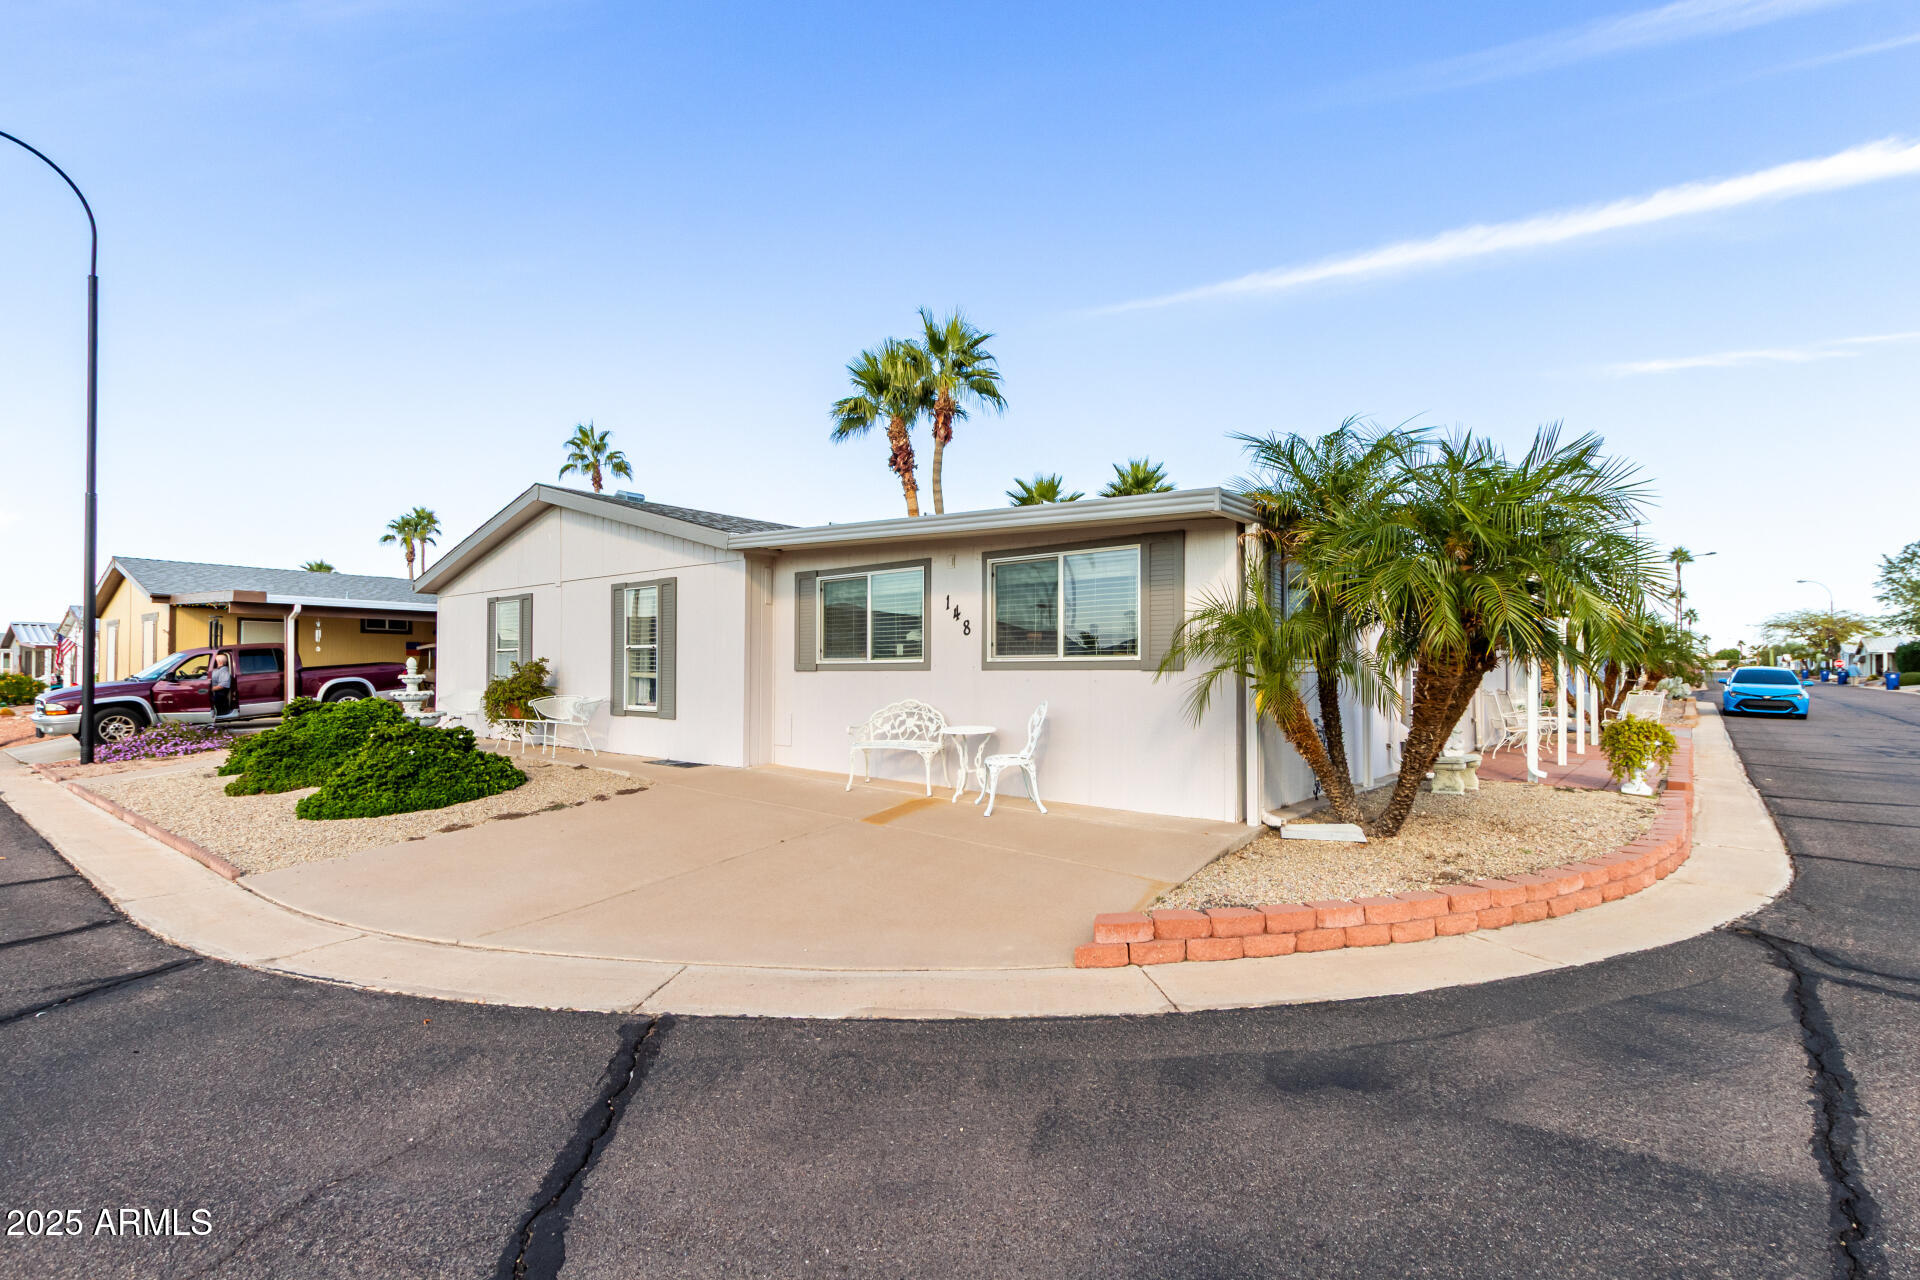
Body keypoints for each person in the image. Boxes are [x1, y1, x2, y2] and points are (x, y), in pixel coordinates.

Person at [209, 651, 237, 719]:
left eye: (215, 661)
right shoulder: (217, 669)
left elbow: (223, 685)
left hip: (218, 694)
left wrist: (209, 689)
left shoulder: (224, 671)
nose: (213, 663)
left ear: (220, 662)